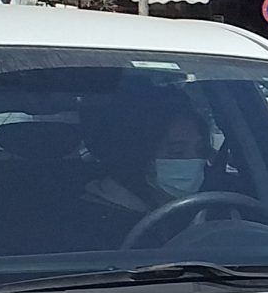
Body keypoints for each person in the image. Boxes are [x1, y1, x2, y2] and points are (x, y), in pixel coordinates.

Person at [74, 93, 214, 247]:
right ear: (141, 156)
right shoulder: (93, 223)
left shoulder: (212, 207)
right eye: (177, 152)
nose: (194, 160)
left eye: (200, 150)